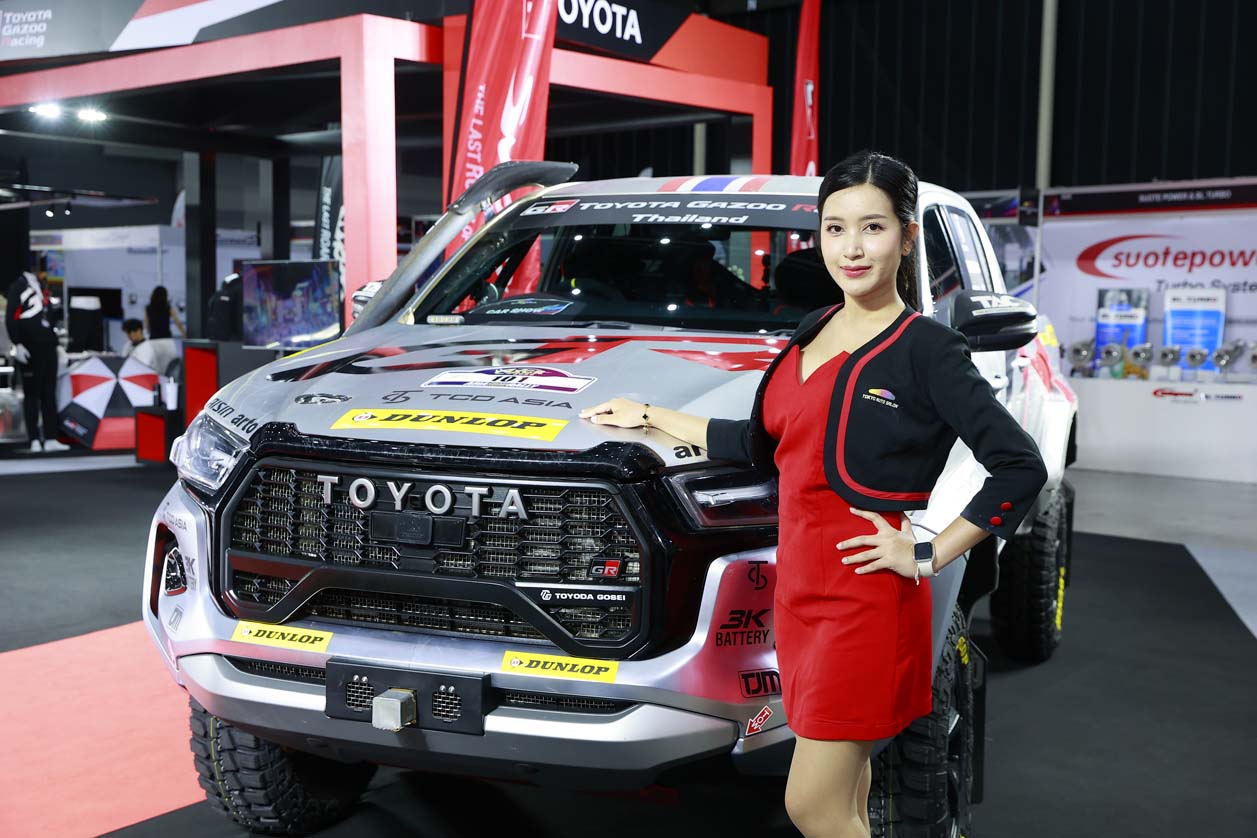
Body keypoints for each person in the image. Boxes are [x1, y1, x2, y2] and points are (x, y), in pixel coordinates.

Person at [578, 151, 1047, 838]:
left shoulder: (927, 349)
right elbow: (761, 442)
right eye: (835, 228)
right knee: (848, 799)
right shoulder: (812, 330)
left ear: (905, 238)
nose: (851, 248)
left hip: (866, 600)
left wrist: (927, 553)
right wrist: (649, 415)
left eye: (872, 228)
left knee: (812, 807)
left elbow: (1019, 466)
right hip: (797, 597)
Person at [5, 268, 69, 452]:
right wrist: (17, 343)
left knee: (49, 392)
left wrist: (55, 342)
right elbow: (11, 317)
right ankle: (33, 438)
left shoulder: (42, 287)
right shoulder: (18, 286)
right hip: (30, 346)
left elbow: (49, 315)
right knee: (32, 393)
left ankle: (50, 437)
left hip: (48, 344)